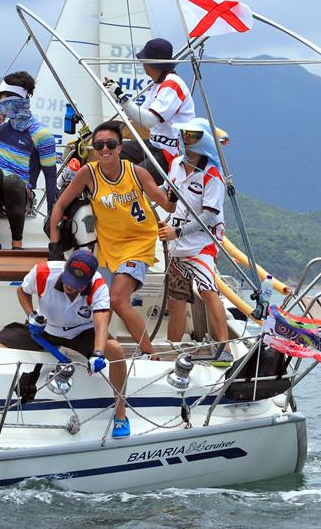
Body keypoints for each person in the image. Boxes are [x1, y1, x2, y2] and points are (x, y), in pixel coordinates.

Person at [48, 121, 176, 357]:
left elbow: (167, 203)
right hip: (107, 249)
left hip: (138, 244)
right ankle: (100, 348)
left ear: (120, 148)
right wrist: (54, 245)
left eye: (110, 144)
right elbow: (60, 205)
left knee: (116, 299)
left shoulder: (136, 172)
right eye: (99, 145)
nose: (104, 149)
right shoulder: (88, 173)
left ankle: (150, 354)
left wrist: (174, 195)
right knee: (95, 302)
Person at [0, 250, 131, 438]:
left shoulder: (98, 285)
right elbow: (22, 291)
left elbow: (101, 323)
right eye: (68, 279)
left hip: (81, 331)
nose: (70, 286)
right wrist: (32, 315)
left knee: (116, 350)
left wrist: (98, 353)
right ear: (65, 267)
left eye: (77, 284)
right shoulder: (42, 272)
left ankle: (121, 415)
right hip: (45, 327)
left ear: (88, 280)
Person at [157, 120, 232, 363]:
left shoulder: (212, 175)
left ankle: (225, 348)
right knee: (176, 300)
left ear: (204, 139)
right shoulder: (177, 164)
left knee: (208, 290)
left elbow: (209, 215)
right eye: (184, 133)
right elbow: (170, 197)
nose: (186, 137)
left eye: (193, 134)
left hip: (201, 245)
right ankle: (172, 351)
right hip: (176, 247)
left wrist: (177, 233)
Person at [0, 71, 56, 250]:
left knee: (13, 181)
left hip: (19, 199)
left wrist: (53, 214)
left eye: (1, 96)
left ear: (15, 99)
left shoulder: (41, 135)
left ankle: (17, 245)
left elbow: (50, 178)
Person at [103, 38, 195, 185]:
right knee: (109, 153)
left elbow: (149, 120)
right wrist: (118, 96)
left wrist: (121, 96)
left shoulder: (172, 84)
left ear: (153, 63)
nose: (142, 63)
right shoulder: (158, 85)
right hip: (153, 146)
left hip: (170, 155)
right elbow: (140, 117)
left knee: (130, 180)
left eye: (144, 60)